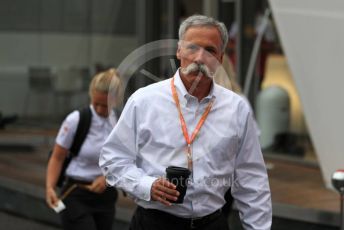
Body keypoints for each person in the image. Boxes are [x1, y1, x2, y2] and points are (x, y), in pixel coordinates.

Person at [100, 15, 272, 230]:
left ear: (220, 57)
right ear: (179, 51)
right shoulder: (143, 101)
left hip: (212, 223)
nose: (200, 58)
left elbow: (252, 179)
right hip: (155, 223)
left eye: (210, 50)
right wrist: (147, 185)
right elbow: (112, 160)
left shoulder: (236, 108)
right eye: (192, 48)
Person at [46, 68, 122, 230]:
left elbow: (126, 158)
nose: (101, 110)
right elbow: (57, 157)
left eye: (105, 105)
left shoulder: (121, 121)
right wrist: (50, 188)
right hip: (76, 191)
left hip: (106, 195)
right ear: (90, 95)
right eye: (96, 104)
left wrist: (106, 178)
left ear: (115, 100)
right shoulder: (76, 120)